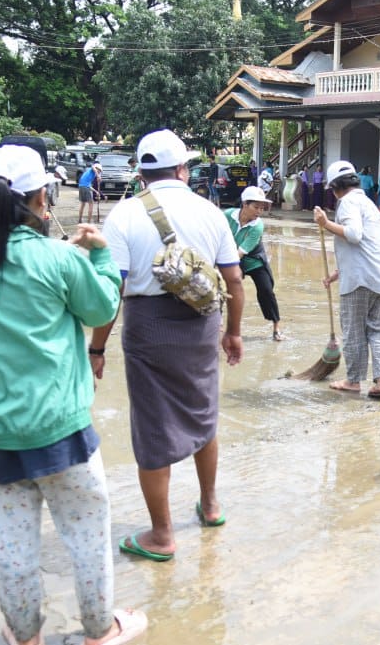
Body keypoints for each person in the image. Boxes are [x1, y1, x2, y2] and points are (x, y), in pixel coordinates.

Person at [0, 144, 146, 645]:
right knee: (87, 536)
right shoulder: (58, 258)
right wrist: (96, 252)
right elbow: (100, 305)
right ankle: (99, 630)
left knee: (11, 549)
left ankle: (26, 637)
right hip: (62, 430)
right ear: (41, 197)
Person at [92, 129, 245, 560]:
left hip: (148, 329)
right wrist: (233, 332)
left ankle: (162, 536)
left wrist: (97, 348)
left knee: (153, 426)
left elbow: (111, 291)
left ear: (141, 173)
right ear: (183, 169)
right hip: (201, 325)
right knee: (203, 413)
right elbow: (234, 278)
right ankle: (211, 505)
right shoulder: (211, 211)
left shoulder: (123, 215)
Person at [313, 160, 380, 399]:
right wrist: (337, 273)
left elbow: (354, 235)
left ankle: (353, 381)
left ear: (335, 187)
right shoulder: (367, 202)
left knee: (353, 331)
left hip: (361, 281)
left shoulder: (348, 202)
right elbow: (367, 245)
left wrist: (325, 223)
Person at [226, 185, 283, 341]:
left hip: (252, 259)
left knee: (266, 290)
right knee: (220, 287)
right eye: (256, 207)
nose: (259, 211)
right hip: (230, 257)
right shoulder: (227, 215)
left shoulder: (257, 225)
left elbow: (241, 252)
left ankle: (276, 327)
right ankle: (217, 325)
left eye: (262, 208)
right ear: (245, 204)